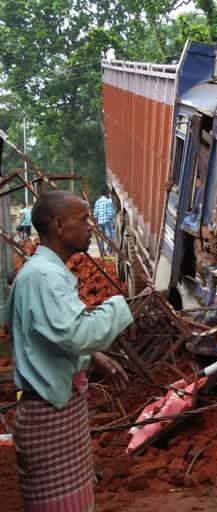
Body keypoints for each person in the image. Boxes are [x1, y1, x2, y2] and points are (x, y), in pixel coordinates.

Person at [9, 190, 133, 512]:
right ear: (60, 226)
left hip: (57, 412)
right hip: (49, 418)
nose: (91, 226)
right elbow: (77, 333)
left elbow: (46, 336)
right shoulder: (44, 278)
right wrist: (120, 306)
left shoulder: (42, 273)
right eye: (84, 219)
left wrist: (94, 358)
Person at [93, 188, 115, 254]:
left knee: (101, 236)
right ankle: (110, 250)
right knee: (109, 236)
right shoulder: (108, 201)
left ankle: (102, 251)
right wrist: (113, 222)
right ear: (106, 194)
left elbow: (95, 213)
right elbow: (110, 213)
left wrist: (96, 222)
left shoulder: (97, 201)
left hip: (100, 221)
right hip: (107, 221)